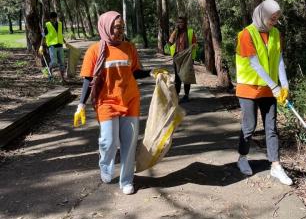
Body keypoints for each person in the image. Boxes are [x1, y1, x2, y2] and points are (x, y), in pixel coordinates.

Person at [74, 11, 151, 195]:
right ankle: (105, 167)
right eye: (117, 27)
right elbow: (87, 79)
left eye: (122, 28)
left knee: (129, 143)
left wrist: (151, 73)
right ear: (107, 27)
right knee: (109, 141)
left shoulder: (129, 47)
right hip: (106, 102)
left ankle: (126, 180)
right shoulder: (95, 50)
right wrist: (81, 105)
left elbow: (134, 72)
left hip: (130, 100)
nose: (120, 31)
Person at [235, 0, 292, 185]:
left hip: (269, 90)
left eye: (277, 19)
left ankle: (275, 165)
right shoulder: (246, 34)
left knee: (272, 128)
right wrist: (275, 86)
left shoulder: (275, 33)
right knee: (249, 127)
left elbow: (279, 60)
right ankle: (242, 158)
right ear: (262, 15)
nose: (274, 22)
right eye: (272, 18)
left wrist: (284, 85)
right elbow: (255, 64)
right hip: (248, 89)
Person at [167, 16, 197, 102]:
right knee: (177, 77)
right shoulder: (176, 32)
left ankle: (186, 96)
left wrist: (192, 49)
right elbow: (169, 43)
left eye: (182, 22)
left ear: (185, 23)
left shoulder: (190, 31)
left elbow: (195, 44)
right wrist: (173, 33)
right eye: (178, 22)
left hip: (187, 58)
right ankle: (176, 95)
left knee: (186, 77)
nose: (180, 24)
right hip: (177, 57)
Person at [43, 11, 66, 83]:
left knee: (62, 62)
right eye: (52, 19)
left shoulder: (60, 24)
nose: (54, 20)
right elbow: (43, 36)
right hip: (52, 46)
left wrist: (65, 42)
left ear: (56, 18)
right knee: (54, 62)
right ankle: (49, 73)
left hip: (60, 45)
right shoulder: (47, 25)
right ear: (50, 19)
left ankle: (62, 79)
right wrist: (41, 45)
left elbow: (60, 34)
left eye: (55, 18)